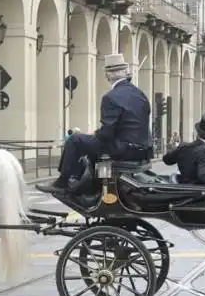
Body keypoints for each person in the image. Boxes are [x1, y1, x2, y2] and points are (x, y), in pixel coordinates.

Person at [38, 54, 151, 193]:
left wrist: (95, 133)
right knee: (91, 144)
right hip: (143, 150)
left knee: (75, 140)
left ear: (108, 75)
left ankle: (63, 182)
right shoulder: (140, 94)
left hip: (122, 149)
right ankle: (90, 185)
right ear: (125, 73)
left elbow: (107, 132)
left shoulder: (110, 97)